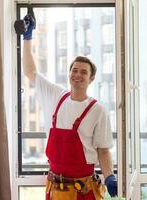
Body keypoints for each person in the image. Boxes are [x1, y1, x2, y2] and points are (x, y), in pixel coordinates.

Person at [21, 14, 117, 200]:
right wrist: (27, 38)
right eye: (74, 70)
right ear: (69, 74)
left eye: (83, 72)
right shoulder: (56, 95)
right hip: (55, 190)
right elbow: (30, 71)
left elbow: (103, 150)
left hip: (83, 191)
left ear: (91, 79)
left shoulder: (98, 110)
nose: (78, 75)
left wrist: (110, 177)